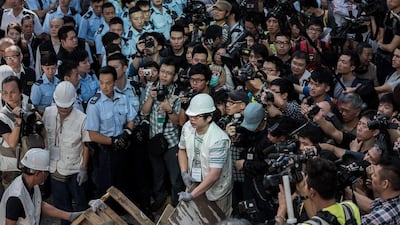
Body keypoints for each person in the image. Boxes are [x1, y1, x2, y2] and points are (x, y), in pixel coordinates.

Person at [42, 81, 90, 225]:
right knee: (63, 210)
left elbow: (86, 145)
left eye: (66, 107)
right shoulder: (48, 113)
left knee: (81, 208)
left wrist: (84, 168)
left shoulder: (82, 119)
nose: (63, 109)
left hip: (74, 171)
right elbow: (44, 136)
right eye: (60, 107)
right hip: (55, 170)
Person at [178, 93, 232, 216]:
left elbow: (214, 175)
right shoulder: (188, 127)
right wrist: (184, 172)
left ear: (209, 118)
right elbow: (182, 150)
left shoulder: (218, 139)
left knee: (218, 220)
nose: (192, 119)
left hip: (216, 190)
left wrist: (192, 195)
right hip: (195, 182)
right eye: (191, 115)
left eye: (197, 116)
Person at [86, 66, 135, 198]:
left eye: (108, 83)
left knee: (122, 184)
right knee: (105, 188)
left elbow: (131, 119)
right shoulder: (94, 104)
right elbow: (93, 134)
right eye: (101, 82)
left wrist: (126, 133)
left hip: (123, 146)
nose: (104, 86)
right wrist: (113, 141)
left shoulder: (123, 98)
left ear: (114, 82)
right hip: (105, 150)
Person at [141, 58, 184, 209]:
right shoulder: (151, 86)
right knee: (157, 178)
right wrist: (151, 98)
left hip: (172, 142)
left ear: (175, 76)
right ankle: (159, 207)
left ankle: (178, 208)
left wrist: (169, 109)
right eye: (163, 72)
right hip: (154, 140)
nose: (165, 76)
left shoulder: (178, 92)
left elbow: (178, 122)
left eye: (169, 73)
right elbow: (144, 112)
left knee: (175, 180)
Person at [0, 148, 83, 225]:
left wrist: (69, 216)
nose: (47, 176)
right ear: (38, 173)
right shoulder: (16, 197)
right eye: (46, 172)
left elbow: (39, 204)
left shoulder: (31, 184)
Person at [275, 157, 361, 225]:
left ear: (312, 192)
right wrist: (305, 194)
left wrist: (282, 209)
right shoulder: (350, 208)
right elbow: (320, 218)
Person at [361, 157, 400, 224]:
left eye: (375, 175)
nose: (372, 176)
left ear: (385, 184)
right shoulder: (394, 199)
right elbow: (374, 204)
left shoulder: (374, 220)